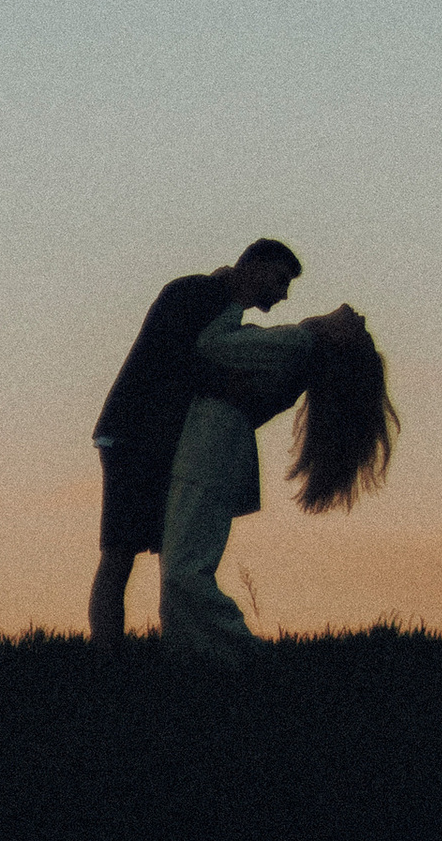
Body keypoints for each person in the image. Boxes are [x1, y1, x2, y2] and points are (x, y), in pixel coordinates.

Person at [159, 296, 399, 664]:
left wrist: (230, 299)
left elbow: (211, 345)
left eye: (359, 327)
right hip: (218, 451)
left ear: (340, 342)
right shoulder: (298, 352)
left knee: (183, 568)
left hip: (210, 451)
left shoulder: (298, 343)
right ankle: (193, 655)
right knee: (185, 564)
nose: (356, 311)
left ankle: (242, 654)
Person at [88, 241, 302, 648]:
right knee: (120, 553)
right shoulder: (195, 293)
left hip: (157, 439)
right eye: (281, 279)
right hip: (134, 435)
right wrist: (226, 381)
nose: (283, 293)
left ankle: (170, 647)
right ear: (255, 267)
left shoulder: (217, 306)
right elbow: (175, 357)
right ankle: (107, 656)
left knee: (162, 551)